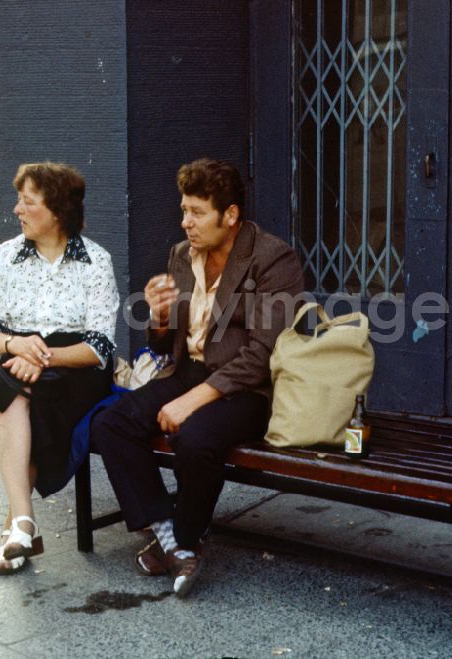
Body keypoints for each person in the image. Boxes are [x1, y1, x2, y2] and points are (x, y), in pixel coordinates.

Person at [92, 158, 305, 597]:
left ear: (230, 215)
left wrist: (192, 401)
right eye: (183, 210)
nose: (186, 222)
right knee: (111, 424)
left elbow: (263, 354)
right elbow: (167, 341)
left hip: (248, 389)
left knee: (195, 436)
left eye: (197, 213)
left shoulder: (272, 258)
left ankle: (187, 539)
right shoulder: (181, 255)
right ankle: (171, 535)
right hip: (187, 370)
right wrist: (160, 316)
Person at [0, 162, 120, 575]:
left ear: (56, 211)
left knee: (29, 400)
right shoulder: (6, 256)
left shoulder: (95, 261)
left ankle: (16, 529)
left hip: (74, 366)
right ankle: (23, 521)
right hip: (16, 354)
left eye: (28, 201)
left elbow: (99, 346)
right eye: (19, 200)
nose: (17, 209)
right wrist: (15, 345)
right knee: (6, 387)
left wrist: (42, 357)